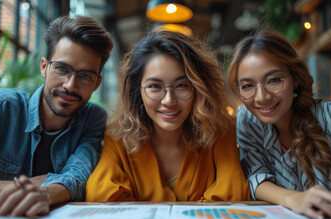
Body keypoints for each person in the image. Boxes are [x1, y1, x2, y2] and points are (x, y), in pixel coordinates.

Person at [0, 15, 113, 216]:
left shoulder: (93, 118)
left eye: (85, 76)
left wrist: (45, 193)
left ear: (97, 83)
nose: (70, 85)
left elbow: (78, 173)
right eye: (62, 69)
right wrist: (18, 189)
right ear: (44, 67)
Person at [227, 29, 331, 219]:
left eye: (274, 80)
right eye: (247, 86)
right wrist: (295, 199)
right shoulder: (248, 119)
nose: (261, 97)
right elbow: (256, 176)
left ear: (296, 79)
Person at [85, 30, 250, 202]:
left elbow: (233, 192)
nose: (169, 100)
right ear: (137, 91)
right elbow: (100, 194)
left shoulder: (221, 130)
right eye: (155, 86)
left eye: (181, 85)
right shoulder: (117, 136)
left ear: (198, 88)